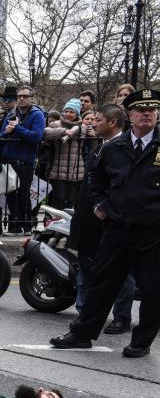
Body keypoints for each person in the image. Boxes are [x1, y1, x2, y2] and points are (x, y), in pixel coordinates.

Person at [51, 89, 160, 358]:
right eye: (141, 110)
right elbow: (96, 181)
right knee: (101, 283)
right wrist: (101, 206)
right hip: (118, 228)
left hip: (152, 231)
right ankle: (82, 334)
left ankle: (141, 341)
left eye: (152, 110)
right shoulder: (113, 148)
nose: (147, 114)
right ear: (130, 115)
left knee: (153, 289)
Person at [68, 104, 136, 335]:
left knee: (120, 271)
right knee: (85, 268)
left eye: (98, 120)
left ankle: (121, 317)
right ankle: (84, 315)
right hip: (89, 218)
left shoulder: (125, 148)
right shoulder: (99, 148)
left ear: (113, 122)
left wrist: (107, 210)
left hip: (111, 220)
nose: (92, 123)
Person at [0, 86, 45, 233]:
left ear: (32, 98)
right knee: (11, 195)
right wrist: (7, 132)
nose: (22, 98)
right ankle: (14, 226)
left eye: (25, 96)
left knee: (23, 195)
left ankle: (27, 225)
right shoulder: (12, 114)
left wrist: (17, 128)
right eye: (19, 96)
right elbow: (1, 136)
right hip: (9, 160)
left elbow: (36, 137)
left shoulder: (37, 115)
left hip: (25, 162)